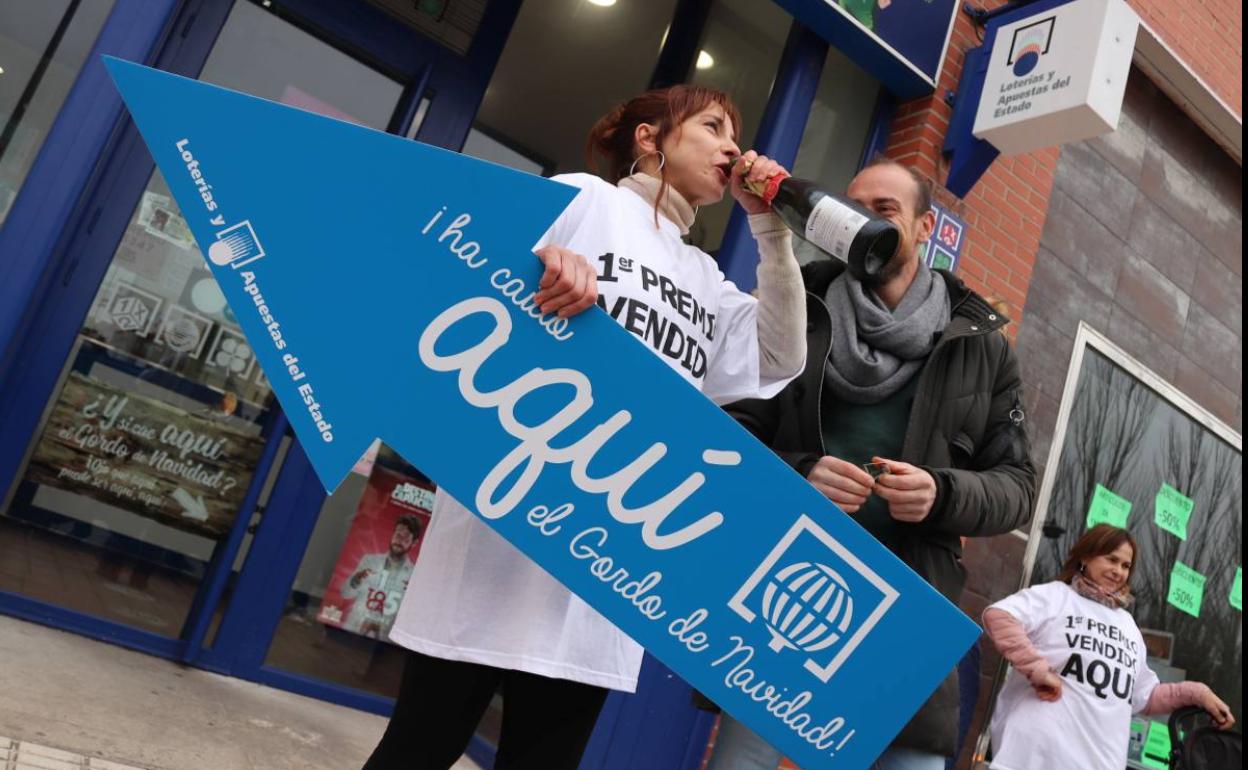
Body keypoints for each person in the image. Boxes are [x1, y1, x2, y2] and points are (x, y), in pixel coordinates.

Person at [362, 84, 808, 770]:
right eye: (713, 126)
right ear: (650, 140)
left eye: (735, 133)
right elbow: (457, 262)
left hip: (605, 570)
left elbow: (780, 358)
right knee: (417, 750)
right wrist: (540, 260)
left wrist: (771, 233)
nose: (731, 146)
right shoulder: (584, 199)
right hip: (502, 536)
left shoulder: (705, 275)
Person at [707, 158, 1038, 770]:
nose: (864, 223)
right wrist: (799, 470)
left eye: (884, 210)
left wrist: (941, 493)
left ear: (923, 227)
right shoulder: (795, 304)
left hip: (905, 615)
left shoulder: (984, 348)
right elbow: (725, 437)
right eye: (853, 208)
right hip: (785, 596)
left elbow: (1017, 488)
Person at [983, 524, 1235, 769]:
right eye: (1111, 560)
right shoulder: (1056, 597)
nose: (1119, 571)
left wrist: (1199, 693)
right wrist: (1037, 669)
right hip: (1033, 758)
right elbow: (999, 616)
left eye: (1126, 566)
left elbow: (1145, 697)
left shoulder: (1128, 626)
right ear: (1085, 557)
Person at [338, 514, 423, 639]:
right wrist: (356, 580)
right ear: (392, 534)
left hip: (384, 641)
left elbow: (414, 618)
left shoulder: (414, 575)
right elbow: (345, 593)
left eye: (405, 538)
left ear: (414, 542)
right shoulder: (369, 560)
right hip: (352, 631)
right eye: (398, 535)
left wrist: (411, 598)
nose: (399, 541)